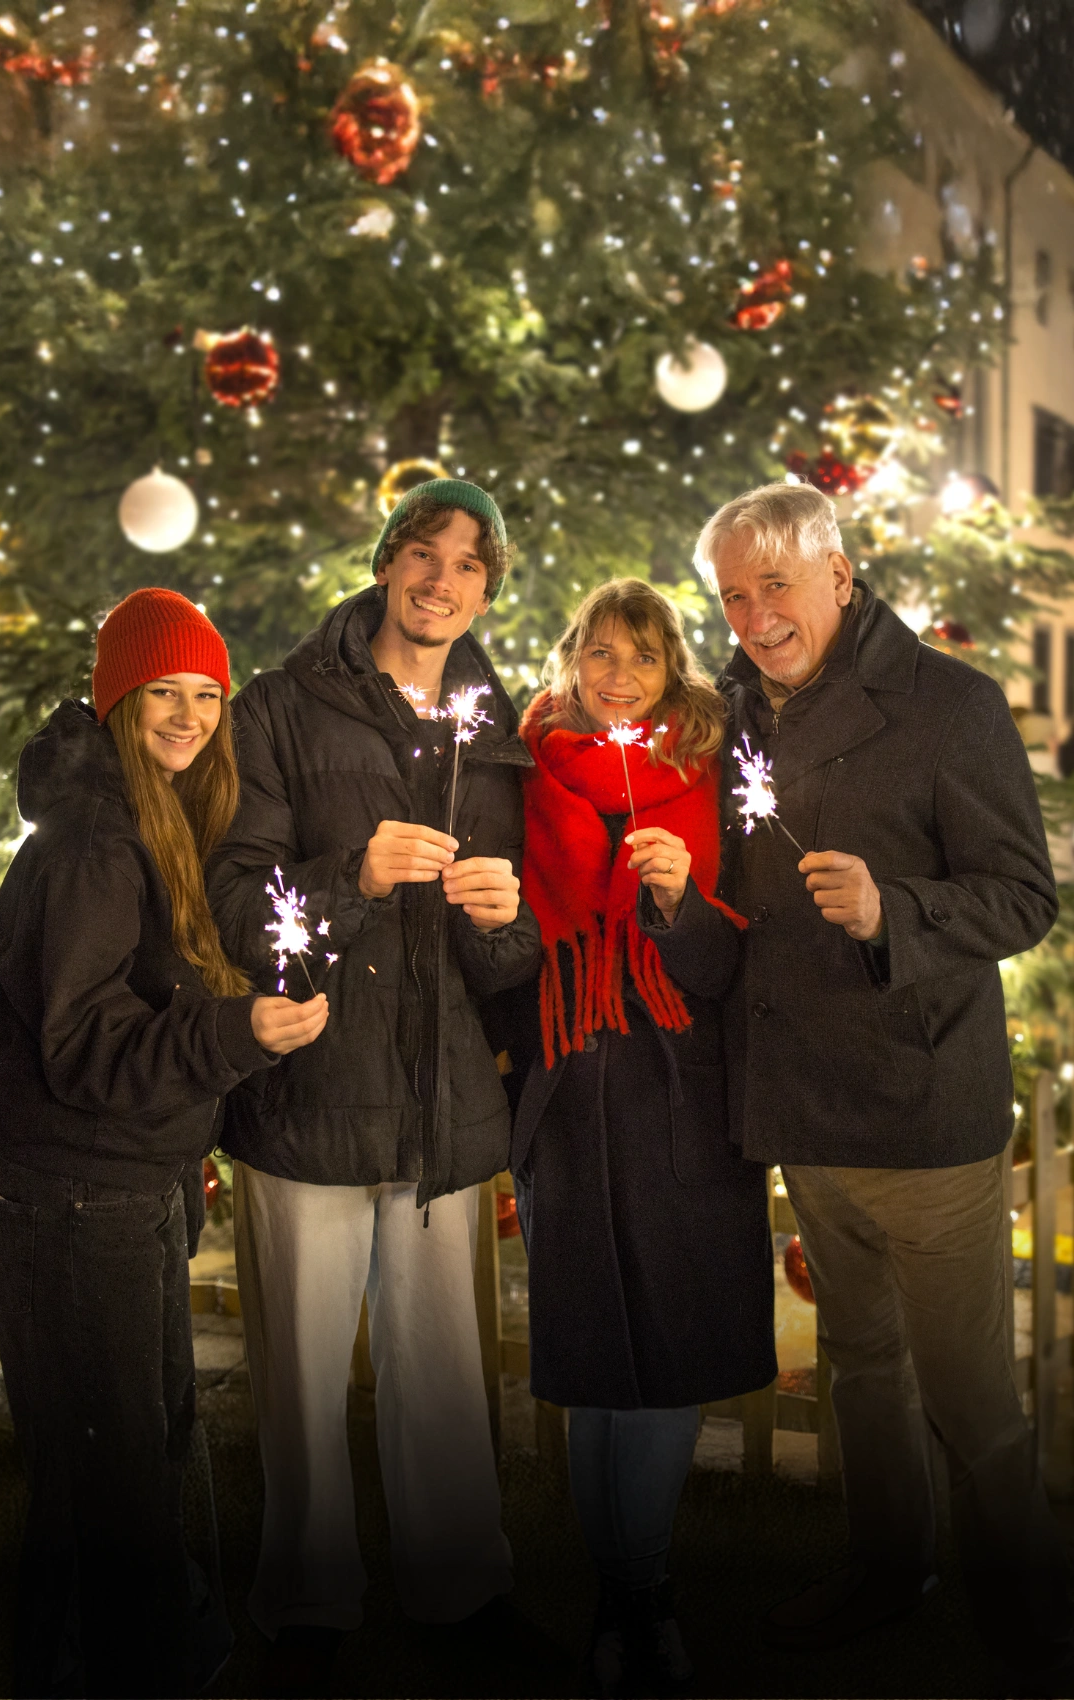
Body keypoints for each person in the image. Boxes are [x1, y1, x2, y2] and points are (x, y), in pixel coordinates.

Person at [696, 481, 1072, 1687]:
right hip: (806, 1099)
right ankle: (887, 1562)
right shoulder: (737, 716)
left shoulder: (947, 706)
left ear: (841, 573)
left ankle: (1027, 1613)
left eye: (778, 585)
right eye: (735, 596)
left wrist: (892, 907)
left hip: (922, 1110)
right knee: (860, 1356)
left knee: (970, 1394)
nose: (757, 616)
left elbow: (1025, 893)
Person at [206, 479, 543, 1695]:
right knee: (299, 1368)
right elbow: (239, 903)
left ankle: (459, 1588)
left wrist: (509, 920)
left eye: (467, 563)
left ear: (489, 590)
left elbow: (510, 958)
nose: (439, 578)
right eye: (420, 551)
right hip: (312, 1097)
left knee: (446, 1364)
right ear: (386, 562)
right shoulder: (283, 708)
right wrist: (350, 873)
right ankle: (306, 1600)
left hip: (446, 1102)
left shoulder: (494, 726)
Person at [0, 588, 328, 1699]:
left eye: (205, 695)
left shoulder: (155, 818)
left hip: (120, 1185)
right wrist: (231, 1032)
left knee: (126, 1455)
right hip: (71, 1199)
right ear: (117, 696)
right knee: (116, 1474)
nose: (188, 715)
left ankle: (64, 1660)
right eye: (163, 694)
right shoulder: (94, 843)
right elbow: (82, 1046)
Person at [500, 579, 775, 1697]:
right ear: (572, 659)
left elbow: (724, 970)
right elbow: (507, 961)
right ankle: (621, 1593)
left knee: (665, 1355)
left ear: (674, 674)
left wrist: (677, 907)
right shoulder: (524, 771)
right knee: (592, 1355)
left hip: (680, 1098)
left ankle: (641, 1591)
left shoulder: (713, 776)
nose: (619, 675)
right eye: (602, 653)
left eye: (644, 659)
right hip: (569, 1092)